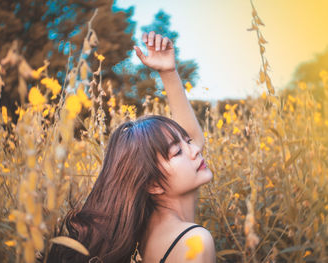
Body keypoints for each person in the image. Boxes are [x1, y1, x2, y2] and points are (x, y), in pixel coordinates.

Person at [47, 31, 216, 263]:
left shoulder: (148, 231)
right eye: (177, 151)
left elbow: (195, 139)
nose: (195, 149)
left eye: (186, 142)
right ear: (153, 184)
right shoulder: (194, 241)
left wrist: (168, 72)